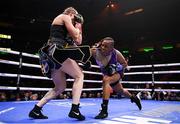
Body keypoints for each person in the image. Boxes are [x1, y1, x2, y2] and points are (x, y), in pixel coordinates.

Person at [28, 7, 85, 120]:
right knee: (79, 75)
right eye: (75, 16)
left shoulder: (68, 25)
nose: (75, 20)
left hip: (53, 54)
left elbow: (78, 41)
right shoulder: (64, 16)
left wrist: (79, 26)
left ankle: (36, 109)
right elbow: (75, 35)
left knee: (60, 87)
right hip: (57, 51)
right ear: (71, 13)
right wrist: (77, 27)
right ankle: (75, 109)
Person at [91, 37, 142, 119]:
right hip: (107, 73)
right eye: (102, 45)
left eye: (106, 46)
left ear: (111, 48)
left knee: (106, 80)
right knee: (121, 91)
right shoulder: (94, 51)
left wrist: (116, 68)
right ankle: (134, 98)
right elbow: (85, 56)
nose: (103, 47)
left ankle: (104, 110)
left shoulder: (116, 53)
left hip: (117, 73)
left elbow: (124, 64)